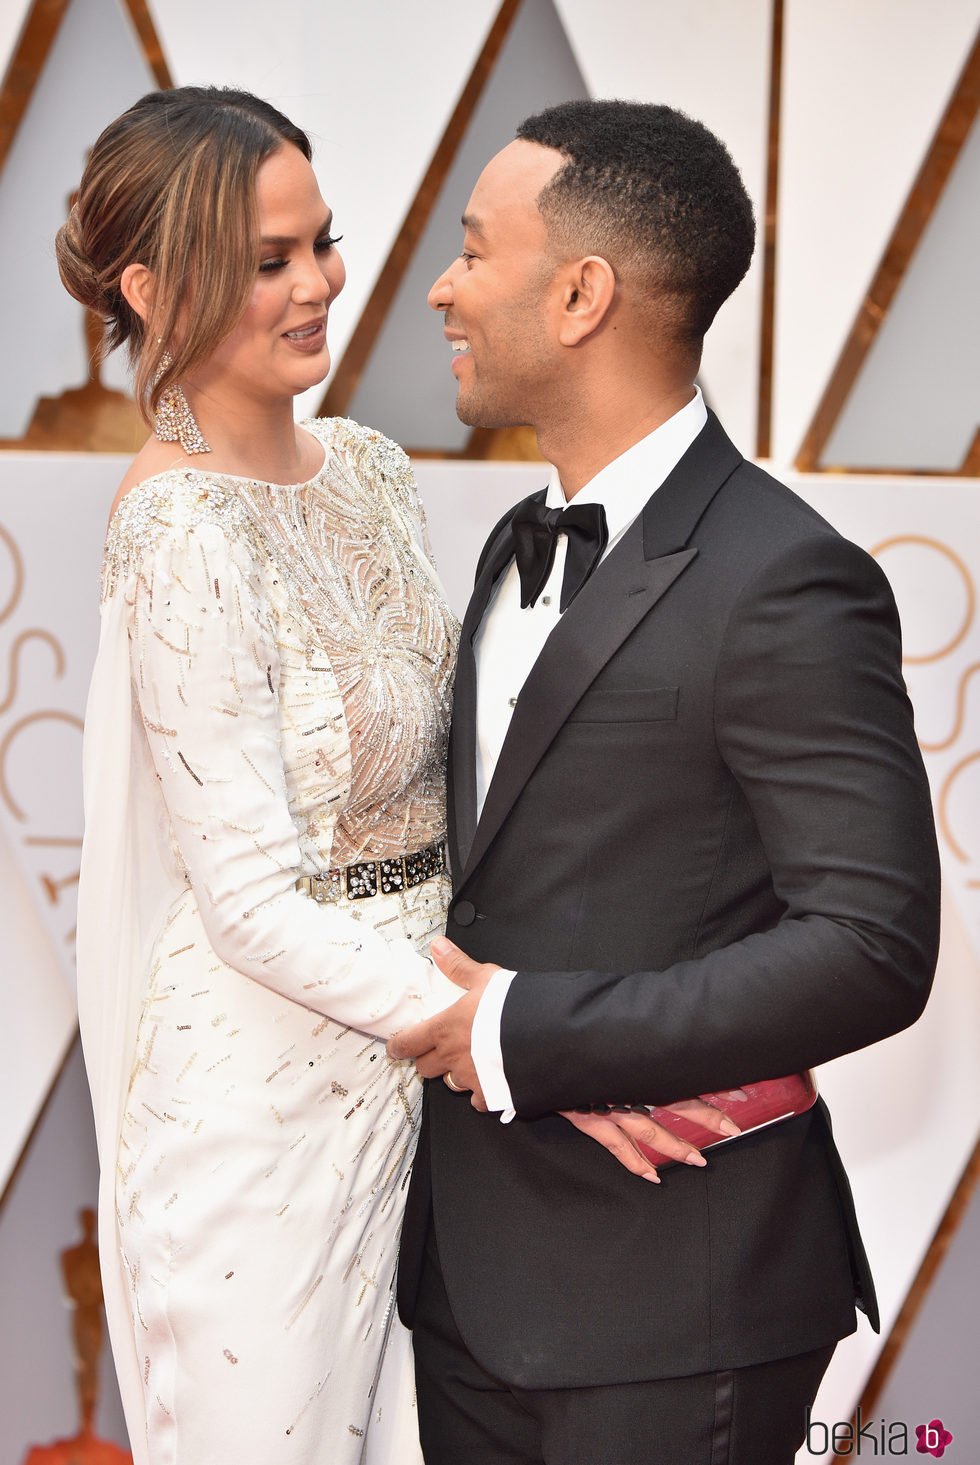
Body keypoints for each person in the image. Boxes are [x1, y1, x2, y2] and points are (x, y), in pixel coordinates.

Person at [61, 86, 723, 1465]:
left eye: (322, 241)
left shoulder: (368, 470)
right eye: (267, 260)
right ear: (148, 283)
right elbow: (243, 897)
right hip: (263, 1099)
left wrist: (550, 1010)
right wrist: (527, 1036)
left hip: (432, 1084)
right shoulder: (173, 522)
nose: (321, 284)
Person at [388, 100, 942, 1465]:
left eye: (471, 249)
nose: (442, 287)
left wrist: (535, 1035)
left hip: (675, 1300)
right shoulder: (515, 541)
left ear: (580, 293)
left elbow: (872, 944)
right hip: (466, 1283)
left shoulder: (786, 577)